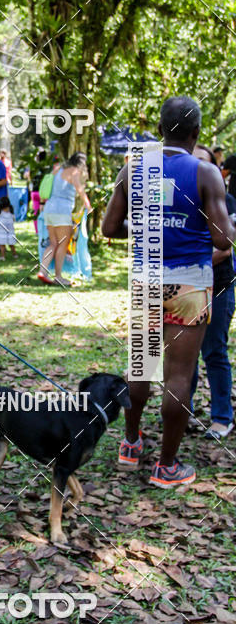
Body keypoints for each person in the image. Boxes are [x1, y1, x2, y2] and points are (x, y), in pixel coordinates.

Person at [102, 96, 236, 488]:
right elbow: (222, 239)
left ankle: (130, 443)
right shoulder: (206, 173)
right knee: (179, 375)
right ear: (196, 134)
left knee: (141, 365)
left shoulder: (133, 168)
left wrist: (150, 229)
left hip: (146, 279)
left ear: (160, 129)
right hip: (191, 282)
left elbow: (110, 228)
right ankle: (167, 466)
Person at [190, 145, 235, 439]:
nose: (196, 167)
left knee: (214, 350)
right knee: (184, 355)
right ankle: (183, 411)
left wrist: (187, 260)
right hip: (184, 288)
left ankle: (222, 416)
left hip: (218, 285)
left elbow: (225, 247)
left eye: (203, 162)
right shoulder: (176, 198)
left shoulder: (227, 200)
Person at [37, 153, 91, 286]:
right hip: (62, 210)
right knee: (62, 244)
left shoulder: (57, 169)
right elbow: (80, 189)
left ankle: (42, 271)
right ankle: (58, 276)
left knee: (53, 243)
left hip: (49, 209)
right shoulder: (74, 172)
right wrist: (88, 205)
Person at [0, 196, 17, 260]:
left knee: (2, 244)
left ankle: (3, 256)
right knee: (11, 244)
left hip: (1, 231)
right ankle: (14, 254)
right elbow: (14, 219)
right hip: (10, 230)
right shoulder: (11, 211)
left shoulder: (0, 212)